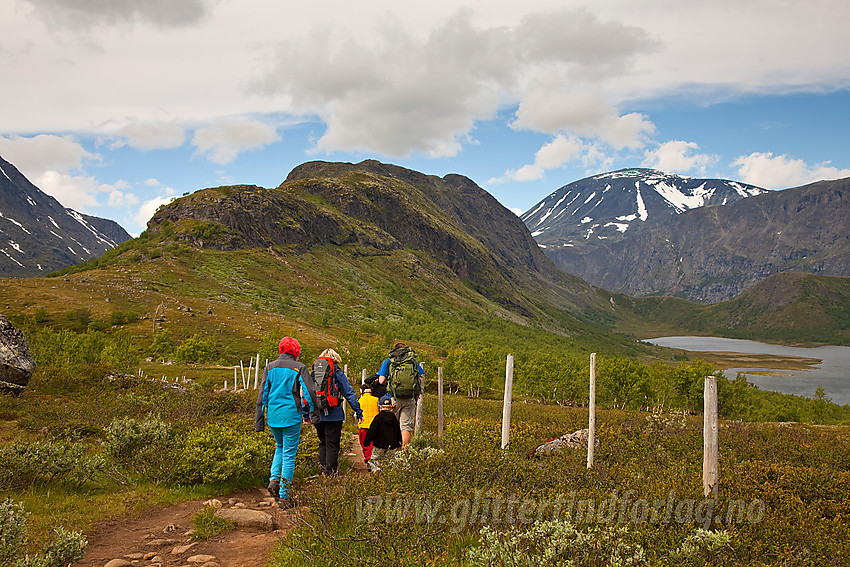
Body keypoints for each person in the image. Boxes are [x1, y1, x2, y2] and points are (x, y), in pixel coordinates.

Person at [255, 336, 317, 509]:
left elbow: (262, 395)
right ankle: (284, 496)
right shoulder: (299, 367)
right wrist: (314, 413)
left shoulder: (269, 367)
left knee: (280, 447)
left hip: (273, 417)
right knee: (289, 453)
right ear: (296, 351)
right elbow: (310, 393)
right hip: (291, 416)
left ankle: (274, 479)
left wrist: (259, 421)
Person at [307, 348, 363, 475]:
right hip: (334, 414)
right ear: (336, 359)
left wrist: (307, 413)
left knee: (322, 442)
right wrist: (358, 411)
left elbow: (307, 393)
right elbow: (349, 393)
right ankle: (331, 473)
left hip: (318, 414)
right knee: (332, 444)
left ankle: (323, 469)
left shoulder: (315, 372)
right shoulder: (337, 372)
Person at [376, 342, 424, 447]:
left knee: (392, 426)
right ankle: (404, 454)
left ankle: (393, 452)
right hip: (409, 398)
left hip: (392, 398)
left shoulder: (389, 361)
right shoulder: (412, 362)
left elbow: (381, 380)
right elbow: (420, 378)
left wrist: (389, 384)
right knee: (405, 427)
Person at [362, 395, 402, 471]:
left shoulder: (378, 417)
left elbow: (372, 431)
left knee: (375, 458)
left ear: (380, 406)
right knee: (391, 459)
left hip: (379, 444)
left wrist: (366, 442)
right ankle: (389, 473)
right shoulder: (393, 417)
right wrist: (399, 443)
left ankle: (376, 471)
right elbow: (397, 430)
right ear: (391, 407)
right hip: (392, 445)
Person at [357, 384, 381, 468]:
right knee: (373, 445)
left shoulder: (359, 400)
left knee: (365, 445)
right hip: (375, 427)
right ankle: (374, 461)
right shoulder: (376, 400)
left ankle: (368, 460)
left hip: (363, 426)